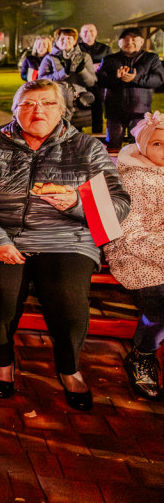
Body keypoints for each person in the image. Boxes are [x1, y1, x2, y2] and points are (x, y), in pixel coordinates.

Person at [0, 79, 129, 413]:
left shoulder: (85, 148)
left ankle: (69, 367)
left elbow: (118, 205)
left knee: (67, 298)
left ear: (62, 110)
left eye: (47, 103)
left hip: (67, 239)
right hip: (2, 235)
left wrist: (76, 203)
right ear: (14, 110)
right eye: (27, 104)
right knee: (0, 292)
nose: (37, 110)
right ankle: (2, 361)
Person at [105, 112, 164, 400]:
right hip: (135, 253)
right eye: (157, 144)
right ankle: (143, 353)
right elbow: (130, 233)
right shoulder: (133, 179)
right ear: (142, 145)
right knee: (161, 298)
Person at [98, 27, 164, 149]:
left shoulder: (151, 59)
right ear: (119, 43)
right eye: (126, 40)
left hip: (140, 111)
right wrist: (115, 77)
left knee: (138, 147)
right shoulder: (109, 60)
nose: (130, 42)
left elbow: (158, 79)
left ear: (141, 42)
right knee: (113, 145)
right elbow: (99, 81)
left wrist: (136, 78)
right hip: (114, 112)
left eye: (134, 39)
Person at [38, 27, 96, 130]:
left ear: (75, 41)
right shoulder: (49, 58)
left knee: (77, 136)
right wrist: (63, 73)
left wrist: (82, 71)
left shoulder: (84, 57)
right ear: (57, 40)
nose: (66, 41)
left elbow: (91, 82)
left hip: (77, 102)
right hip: (57, 101)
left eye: (70, 38)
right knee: (56, 133)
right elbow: (41, 80)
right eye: (62, 39)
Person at [79, 23, 112, 135]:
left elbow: (111, 66)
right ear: (80, 34)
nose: (89, 33)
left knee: (97, 112)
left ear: (96, 32)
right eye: (85, 31)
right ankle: (75, 138)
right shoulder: (76, 48)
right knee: (78, 113)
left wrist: (100, 67)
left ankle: (97, 139)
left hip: (98, 85)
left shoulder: (105, 49)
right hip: (80, 85)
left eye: (91, 30)